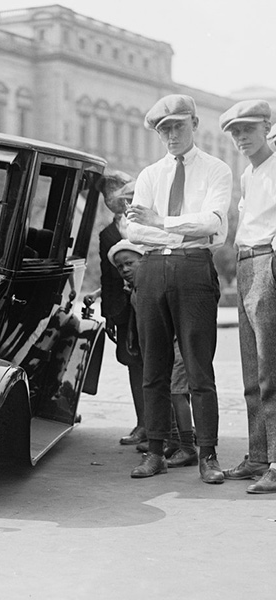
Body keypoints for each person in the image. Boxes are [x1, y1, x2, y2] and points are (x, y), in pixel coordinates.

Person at [126, 94, 232, 483]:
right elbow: (134, 229)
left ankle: (208, 455)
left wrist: (161, 220)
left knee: (198, 367)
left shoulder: (217, 170)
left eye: (178, 126)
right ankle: (155, 451)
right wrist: (169, 223)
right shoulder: (150, 174)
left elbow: (212, 223)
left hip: (193, 268)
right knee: (154, 366)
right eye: (163, 129)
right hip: (152, 268)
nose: (171, 135)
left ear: (194, 124)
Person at [218, 99, 276, 493]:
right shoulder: (248, 175)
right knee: (251, 372)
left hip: (268, 261)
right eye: (235, 132)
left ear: (267, 128)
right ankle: (258, 456)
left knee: (271, 370)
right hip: (245, 263)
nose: (241, 138)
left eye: (249, 130)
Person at [108, 239, 196, 468]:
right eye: (120, 267)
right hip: (163, 347)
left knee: (177, 393)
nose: (125, 269)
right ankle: (174, 440)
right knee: (165, 391)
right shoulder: (136, 290)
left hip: (178, 346)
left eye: (130, 263)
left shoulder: (155, 285)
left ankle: (188, 447)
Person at [87, 171, 146, 446]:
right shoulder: (106, 234)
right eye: (107, 194)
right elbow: (107, 276)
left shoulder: (147, 223)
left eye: (117, 190)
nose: (112, 198)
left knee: (162, 365)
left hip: (149, 303)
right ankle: (143, 424)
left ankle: (173, 427)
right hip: (123, 311)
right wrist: (109, 312)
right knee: (133, 364)